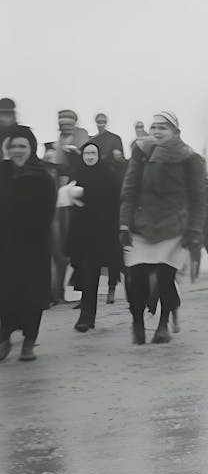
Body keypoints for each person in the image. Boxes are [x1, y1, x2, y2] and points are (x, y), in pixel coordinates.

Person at [119, 111, 206, 344]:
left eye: (163, 128)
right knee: (135, 279)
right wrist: (124, 224)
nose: (156, 132)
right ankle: (137, 321)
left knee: (166, 279)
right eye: (153, 127)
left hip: (174, 226)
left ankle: (163, 324)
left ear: (176, 132)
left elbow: (198, 197)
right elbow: (129, 190)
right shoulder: (141, 152)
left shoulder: (190, 159)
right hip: (141, 224)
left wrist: (195, 228)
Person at [0, 126, 58, 361]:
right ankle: (4, 338)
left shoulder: (41, 176)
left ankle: (29, 342)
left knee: (32, 295)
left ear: (31, 148)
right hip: (5, 244)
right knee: (5, 293)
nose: (17, 150)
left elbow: (47, 212)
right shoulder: (3, 172)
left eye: (22, 146)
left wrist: (30, 229)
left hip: (33, 244)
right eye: (12, 146)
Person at [65, 142, 123, 330]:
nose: (90, 156)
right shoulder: (78, 173)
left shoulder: (109, 175)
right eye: (87, 153)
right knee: (89, 275)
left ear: (99, 155)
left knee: (123, 269)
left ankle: (139, 309)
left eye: (93, 153)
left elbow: (116, 200)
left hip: (106, 232)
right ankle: (86, 317)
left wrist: (86, 196)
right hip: (84, 233)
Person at [54, 109, 89, 179]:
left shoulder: (82, 132)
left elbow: (85, 152)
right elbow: (59, 159)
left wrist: (74, 149)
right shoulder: (61, 136)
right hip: (63, 171)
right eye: (62, 124)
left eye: (68, 124)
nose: (65, 127)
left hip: (79, 170)